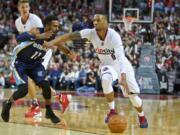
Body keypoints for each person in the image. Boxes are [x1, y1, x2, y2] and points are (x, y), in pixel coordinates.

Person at [44, 14, 148, 128]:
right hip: (108, 65)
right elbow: (70, 36)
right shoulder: (90, 33)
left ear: (106, 22)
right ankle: (112, 110)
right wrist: (52, 42)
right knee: (105, 78)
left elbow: (121, 57)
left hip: (122, 66)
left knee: (134, 98)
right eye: (94, 20)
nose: (95, 22)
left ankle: (141, 116)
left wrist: (122, 76)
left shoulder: (114, 36)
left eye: (99, 20)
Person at [1, 15, 74, 123]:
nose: (57, 28)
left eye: (58, 26)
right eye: (54, 26)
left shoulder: (54, 38)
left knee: (45, 84)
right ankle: (8, 103)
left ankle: (49, 112)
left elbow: (62, 47)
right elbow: (19, 38)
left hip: (35, 64)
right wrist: (39, 37)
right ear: (47, 26)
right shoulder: (36, 31)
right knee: (23, 90)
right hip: (20, 63)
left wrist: (70, 54)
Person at [15, 0, 70, 117]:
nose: (24, 9)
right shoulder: (17, 22)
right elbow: (25, 39)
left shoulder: (35, 20)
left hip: (43, 51)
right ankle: (61, 97)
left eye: (26, 7)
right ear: (19, 8)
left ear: (29, 8)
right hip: (31, 51)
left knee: (33, 79)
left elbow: (48, 36)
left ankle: (35, 108)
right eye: (22, 7)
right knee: (34, 82)